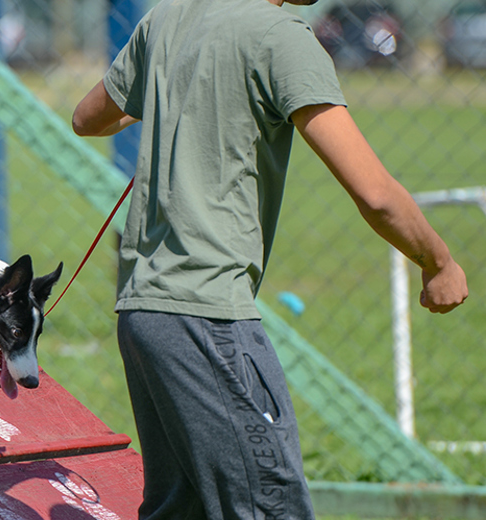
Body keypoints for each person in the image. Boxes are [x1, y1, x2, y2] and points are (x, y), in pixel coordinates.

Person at [71, 0, 469, 518]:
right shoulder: (281, 37)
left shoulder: (165, 17)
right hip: (207, 314)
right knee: (272, 507)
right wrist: (438, 263)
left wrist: (178, 88)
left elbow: (87, 118)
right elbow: (375, 195)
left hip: (143, 314)